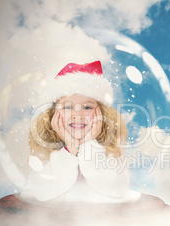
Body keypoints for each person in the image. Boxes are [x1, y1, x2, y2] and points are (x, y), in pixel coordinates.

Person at [21, 61, 140, 204]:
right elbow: (41, 190)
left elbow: (116, 189)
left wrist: (89, 144)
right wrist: (70, 149)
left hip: (101, 220)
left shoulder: (111, 147)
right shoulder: (45, 146)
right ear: (52, 115)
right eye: (67, 107)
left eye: (88, 108)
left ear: (102, 114)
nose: (78, 115)